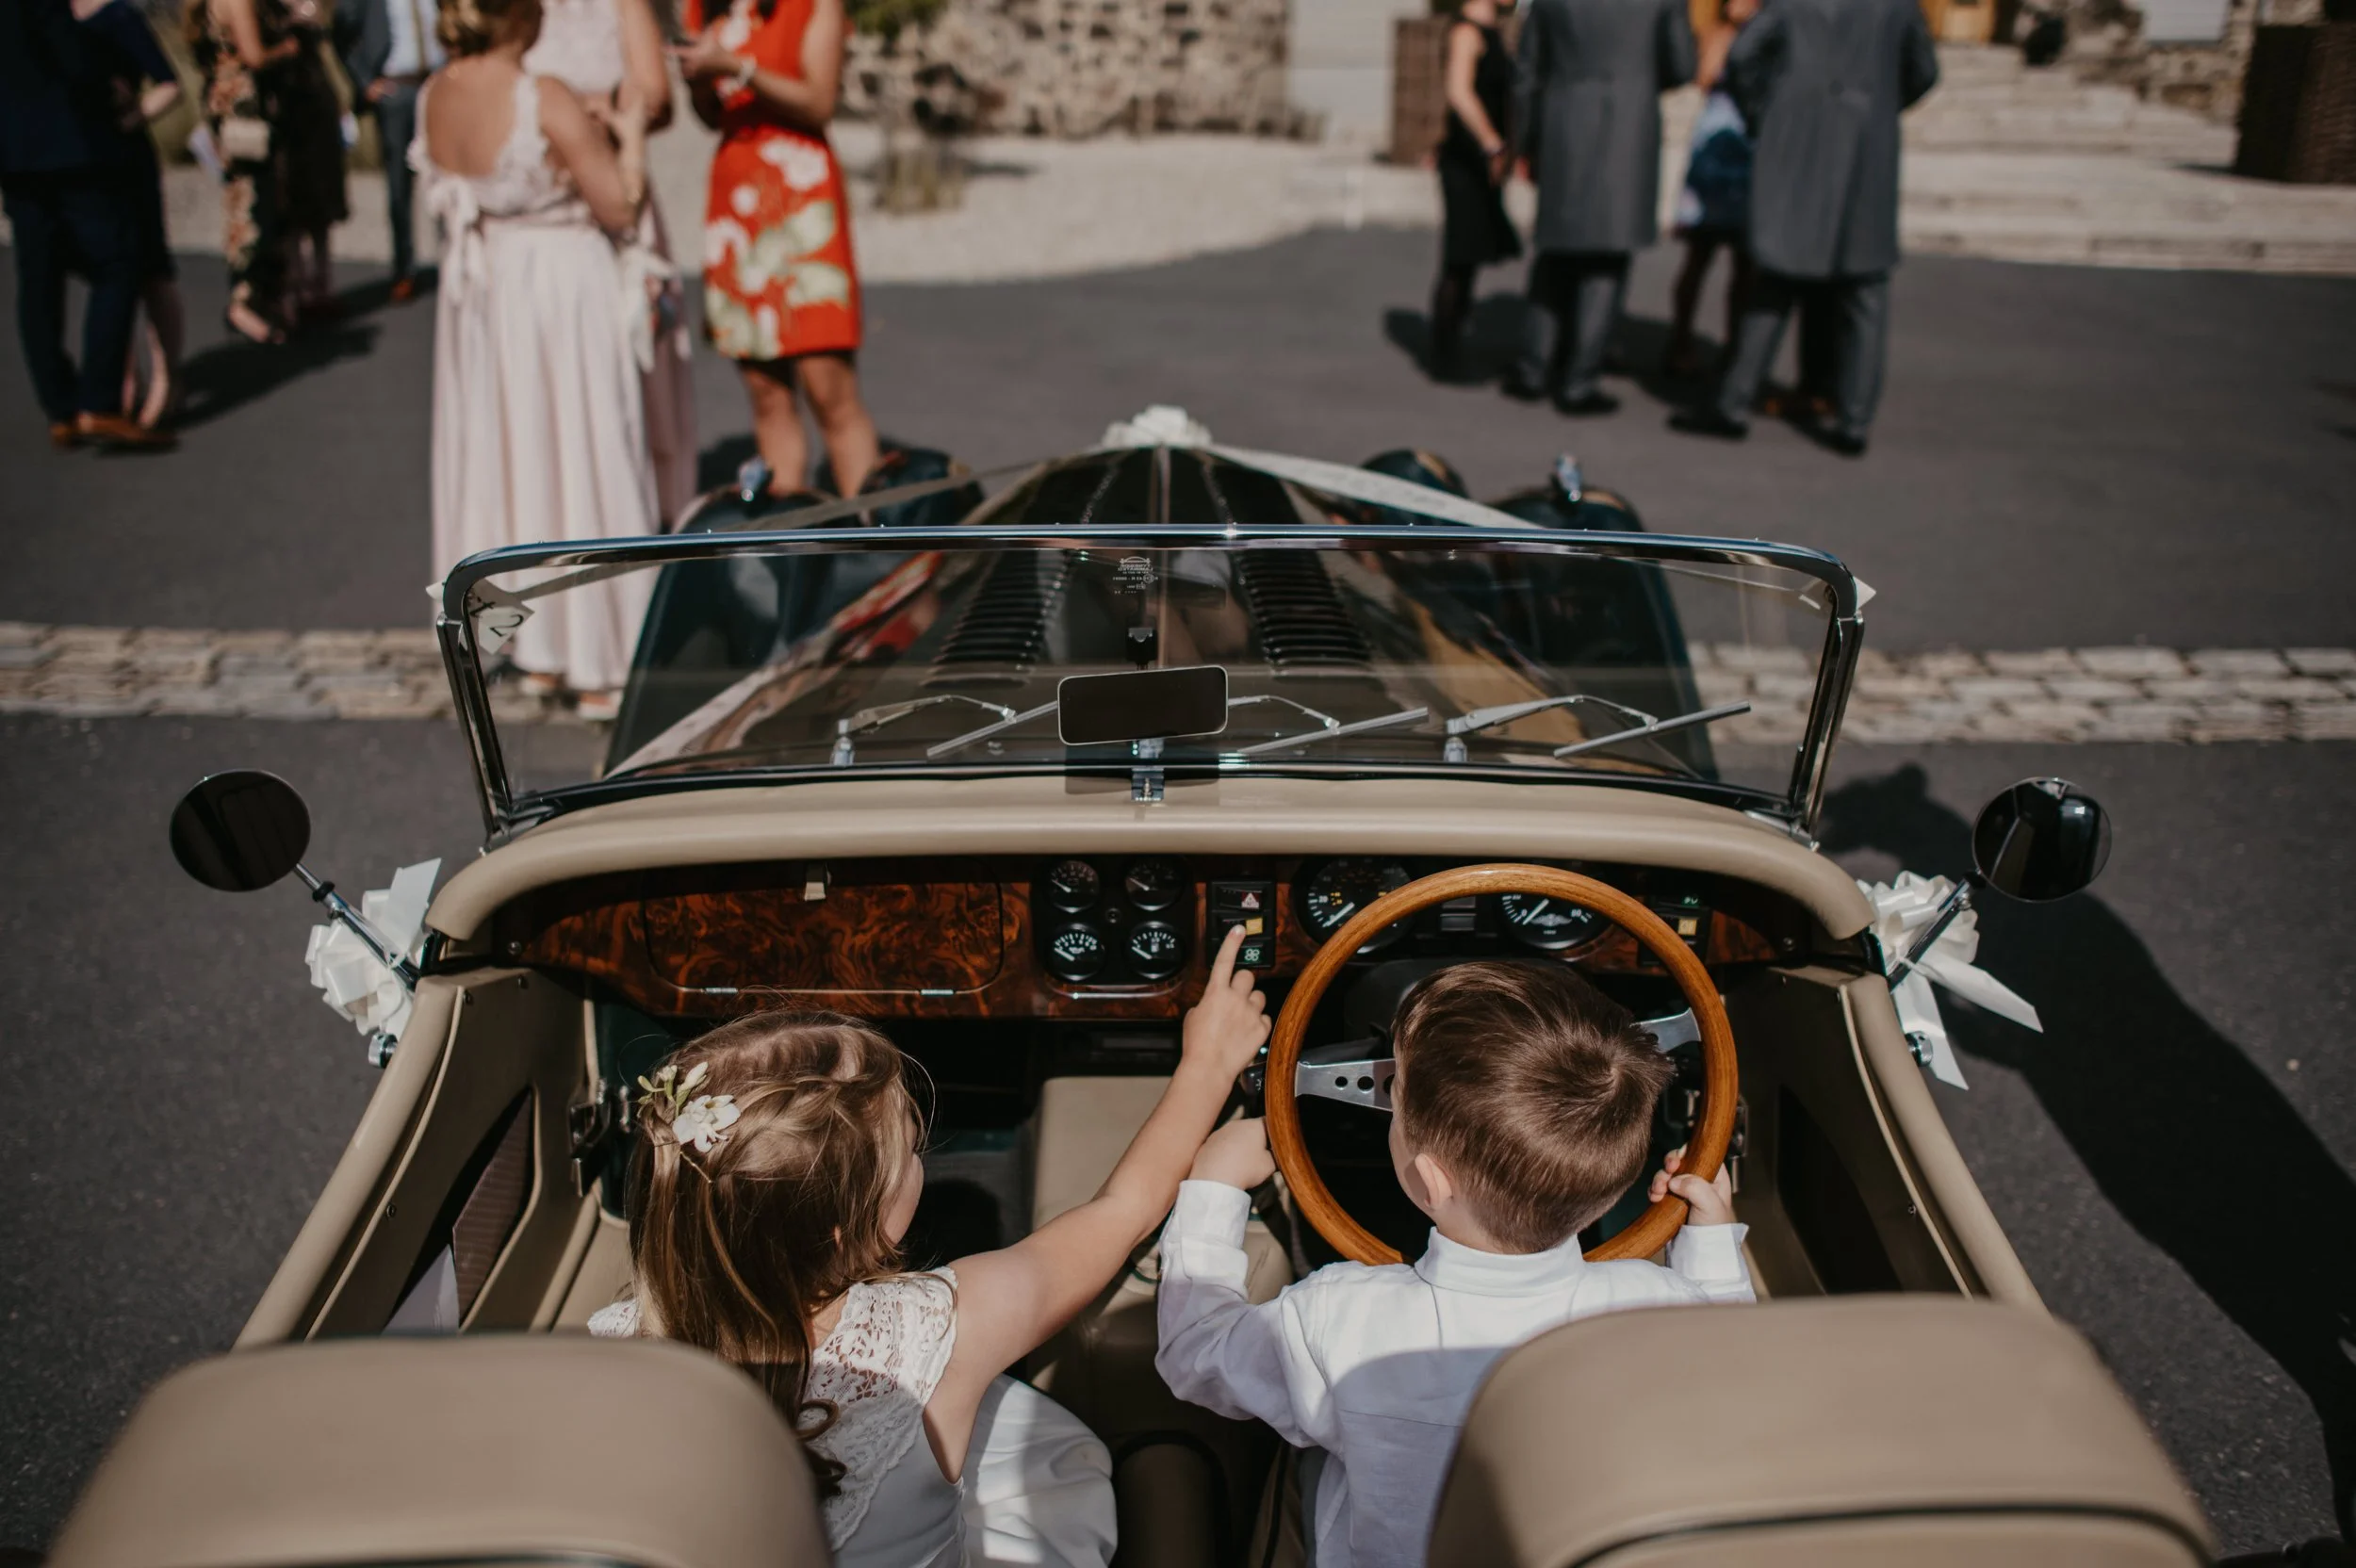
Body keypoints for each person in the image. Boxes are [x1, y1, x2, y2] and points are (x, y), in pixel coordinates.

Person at [587, 925, 1276, 1568]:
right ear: (844, 1225)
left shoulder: (606, 1358)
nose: (921, 1157)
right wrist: (1208, 1065)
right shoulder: (940, 1331)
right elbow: (1122, 1211)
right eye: (910, 1150)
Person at [1157, 961, 1754, 1568]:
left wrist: (1214, 1188)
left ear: (1429, 1179)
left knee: (1300, 1454)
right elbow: (1731, 1362)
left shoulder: (1333, 1319)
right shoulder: (1666, 1310)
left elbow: (1194, 1356)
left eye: (1393, 1090)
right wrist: (1709, 1243)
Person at [416, 0, 658, 719]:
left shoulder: (437, 92)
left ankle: (531, 648)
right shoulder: (540, 96)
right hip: (559, 292)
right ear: (521, 16)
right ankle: (598, 665)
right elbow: (620, 206)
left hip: (488, 297)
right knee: (582, 457)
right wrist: (631, 137)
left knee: (511, 465)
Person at [1673, 0, 1939, 454]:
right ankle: (1853, 421)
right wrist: (1876, 106)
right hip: (1866, 154)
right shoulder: (1899, 5)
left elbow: (1743, 58)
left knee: (1774, 282)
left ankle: (1733, 404)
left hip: (1798, 151)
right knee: (1864, 295)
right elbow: (1923, 71)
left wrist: (1769, 117)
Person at [674, 0, 881, 497]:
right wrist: (700, 80)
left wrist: (738, 68)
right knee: (766, 392)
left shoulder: (812, 5)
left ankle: (875, 539)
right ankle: (784, 542)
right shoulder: (711, 10)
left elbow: (818, 102)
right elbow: (711, 115)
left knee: (828, 388)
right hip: (737, 206)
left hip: (798, 197)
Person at [526, 0, 697, 525]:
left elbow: (658, 99)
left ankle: (640, 518)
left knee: (633, 377)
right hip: (535, 217)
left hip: (618, 201)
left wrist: (575, 118)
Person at [1505, 0, 1693, 416]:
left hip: (1563, 125)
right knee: (1607, 261)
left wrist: (1526, 141)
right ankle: (1579, 379)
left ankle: (1532, 368)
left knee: (1555, 252)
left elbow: (1528, 69)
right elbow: (1682, 66)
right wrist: (1633, 79)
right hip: (1626, 125)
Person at [2, 0, 173, 448]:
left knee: (38, 279)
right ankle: (99, 400)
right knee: (118, 264)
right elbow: (68, 53)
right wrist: (106, 91)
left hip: (15, 157)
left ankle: (60, 407)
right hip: (71, 148)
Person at [75, 0, 185, 429]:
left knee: (151, 270)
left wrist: (131, 117)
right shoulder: (51, 15)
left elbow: (168, 84)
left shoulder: (120, 16)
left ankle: (167, 377)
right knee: (106, 274)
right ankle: (122, 379)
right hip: (83, 160)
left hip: (124, 158)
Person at [192, 0, 306, 341]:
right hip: (247, 119)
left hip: (230, 112)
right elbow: (254, 56)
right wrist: (287, 48)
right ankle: (243, 302)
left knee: (249, 202)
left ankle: (258, 300)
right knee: (257, 206)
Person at [1662, 0, 1757, 381]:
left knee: (1746, 265)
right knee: (1698, 255)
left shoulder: (1772, 32)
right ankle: (1680, 337)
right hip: (1715, 154)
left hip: (1750, 148)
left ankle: (1736, 345)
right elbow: (1703, 77)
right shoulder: (1718, 35)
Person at [1425, 0, 1518, 381]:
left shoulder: (1494, 31)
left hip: (1481, 162)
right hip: (1465, 159)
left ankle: (1453, 338)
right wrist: (1491, 143)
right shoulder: (1466, 32)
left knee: (1472, 254)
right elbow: (1459, 92)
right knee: (1460, 255)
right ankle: (1443, 350)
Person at [335, 0, 445, 302]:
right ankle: (404, 270)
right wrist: (365, 82)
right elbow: (341, 31)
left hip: (436, 86)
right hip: (396, 91)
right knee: (399, 186)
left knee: (447, 179)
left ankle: (451, 261)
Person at [272, 0, 348, 323]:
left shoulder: (320, 9)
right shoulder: (269, 10)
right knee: (291, 209)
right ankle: (296, 290)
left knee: (322, 207)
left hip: (318, 111)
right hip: (289, 112)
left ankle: (322, 287)